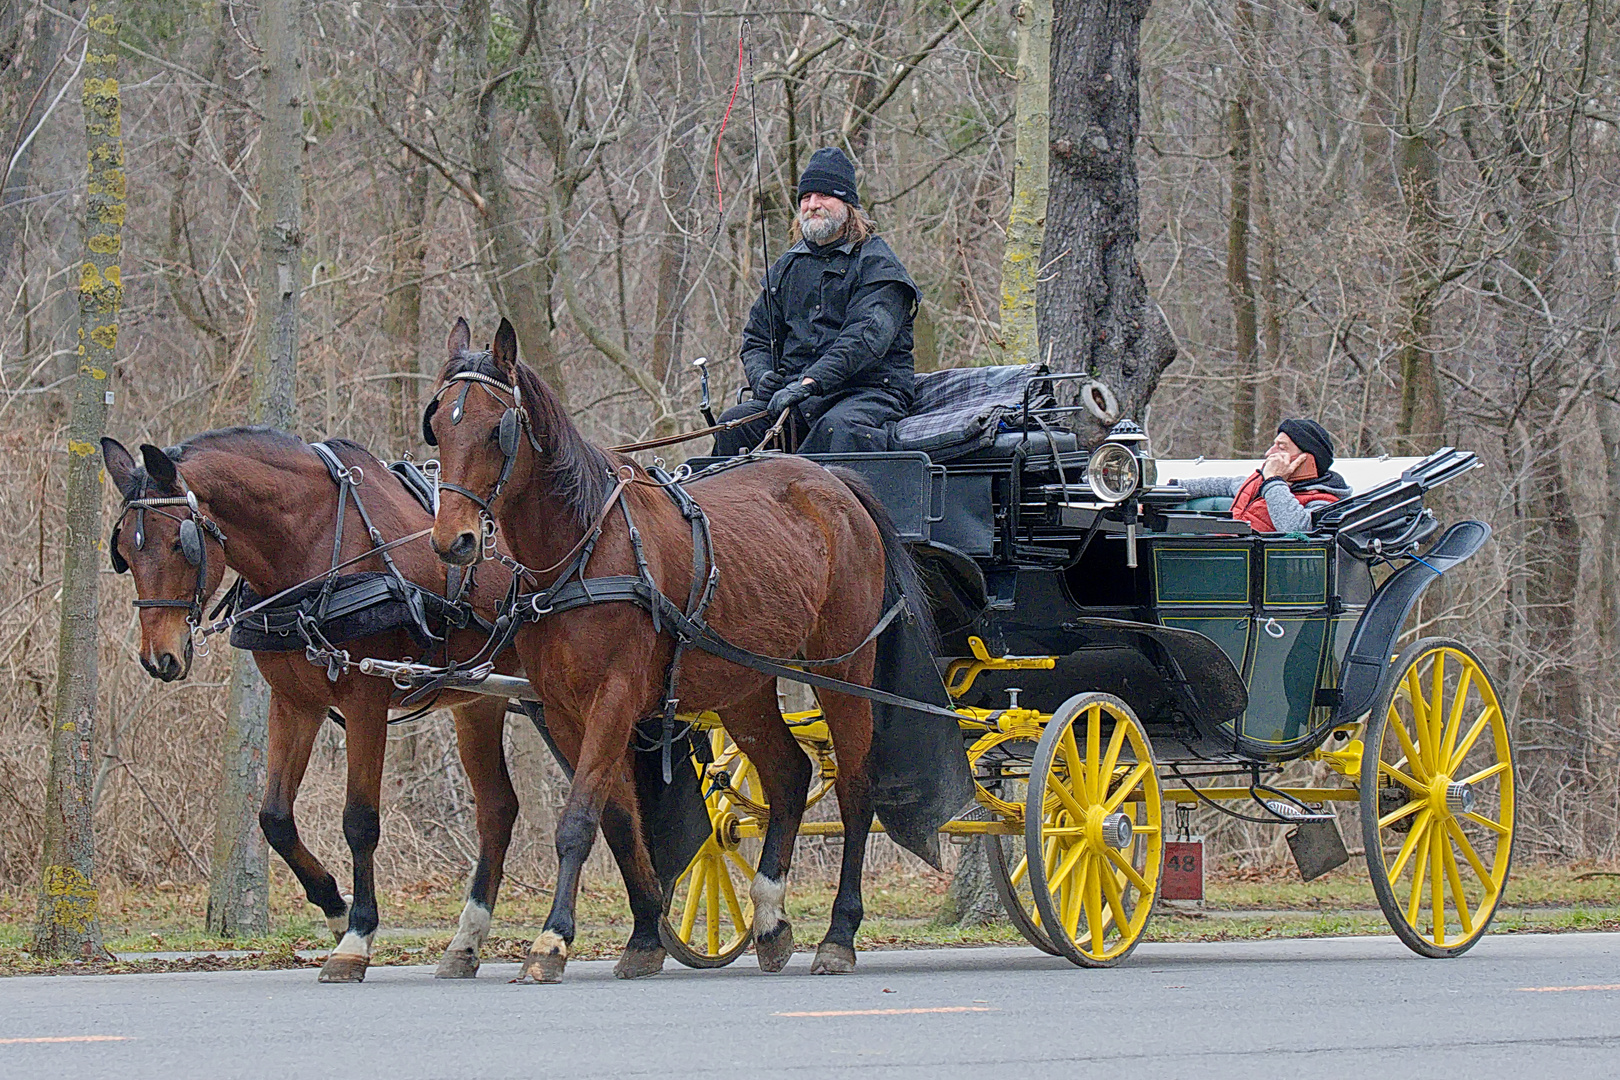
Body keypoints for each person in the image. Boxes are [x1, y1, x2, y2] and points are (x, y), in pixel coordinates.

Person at [712, 147, 919, 456]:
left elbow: (862, 341)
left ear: (848, 204)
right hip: (797, 397)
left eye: (824, 196)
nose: (812, 205)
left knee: (836, 429)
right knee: (734, 424)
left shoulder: (878, 265)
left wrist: (810, 382)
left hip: (868, 393)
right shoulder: (787, 267)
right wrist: (764, 377)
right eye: (806, 198)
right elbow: (756, 337)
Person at [1174, 419, 1350, 532]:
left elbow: (1296, 529)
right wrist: (1164, 491)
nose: (1268, 453)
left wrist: (1274, 481)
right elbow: (1223, 485)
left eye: (1281, 448)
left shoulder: (1324, 501)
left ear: (1305, 460)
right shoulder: (1260, 481)